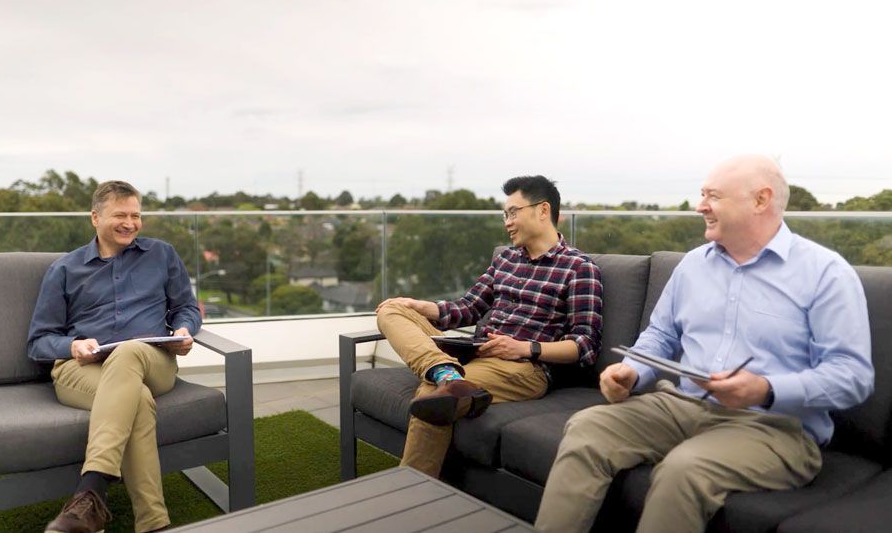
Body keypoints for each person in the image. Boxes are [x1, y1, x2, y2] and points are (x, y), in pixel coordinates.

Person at [535, 155, 874, 533]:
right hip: (684, 406)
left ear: (760, 200)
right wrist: (632, 371)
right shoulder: (694, 265)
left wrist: (765, 389)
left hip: (777, 428)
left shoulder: (825, 274)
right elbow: (661, 335)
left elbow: (852, 376)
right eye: (702, 195)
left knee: (684, 469)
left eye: (713, 196)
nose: (700, 206)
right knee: (587, 429)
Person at [375, 175, 603, 477]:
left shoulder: (579, 268)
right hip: (475, 353)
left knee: (431, 397)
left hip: (523, 368)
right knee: (392, 309)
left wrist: (524, 348)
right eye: (504, 215)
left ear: (543, 210)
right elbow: (468, 308)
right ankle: (446, 372)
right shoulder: (505, 260)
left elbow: (585, 345)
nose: (507, 222)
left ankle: (410, 490)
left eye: (513, 212)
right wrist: (421, 307)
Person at [28, 181, 201, 533]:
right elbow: (38, 341)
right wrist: (71, 346)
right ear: (95, 218)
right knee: (134, 398)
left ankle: (91, 489)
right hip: (83, 369)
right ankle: (154, 523)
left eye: (136, 215)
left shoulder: (162, 254)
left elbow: (186, 307)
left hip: (153, 361)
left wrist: (184, 330)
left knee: (131, 351)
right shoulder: (64, 269)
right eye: (120, 214)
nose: (130, 223)